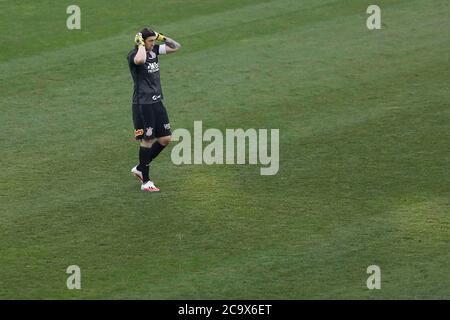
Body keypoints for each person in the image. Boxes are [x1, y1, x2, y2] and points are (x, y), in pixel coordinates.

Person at [127, 27, 181, 192]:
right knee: (147, 140)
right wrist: (142, 45)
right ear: (142, 42)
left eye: (153, 41)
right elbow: (140, 61)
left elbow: (177, 46)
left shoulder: (155, 50)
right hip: (143, 105)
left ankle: (140, 168)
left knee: (165, 138)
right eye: (150, 41)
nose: (153, 43)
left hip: (157, 102)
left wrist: (161, 37)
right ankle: (146, 181)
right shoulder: (134, 55)